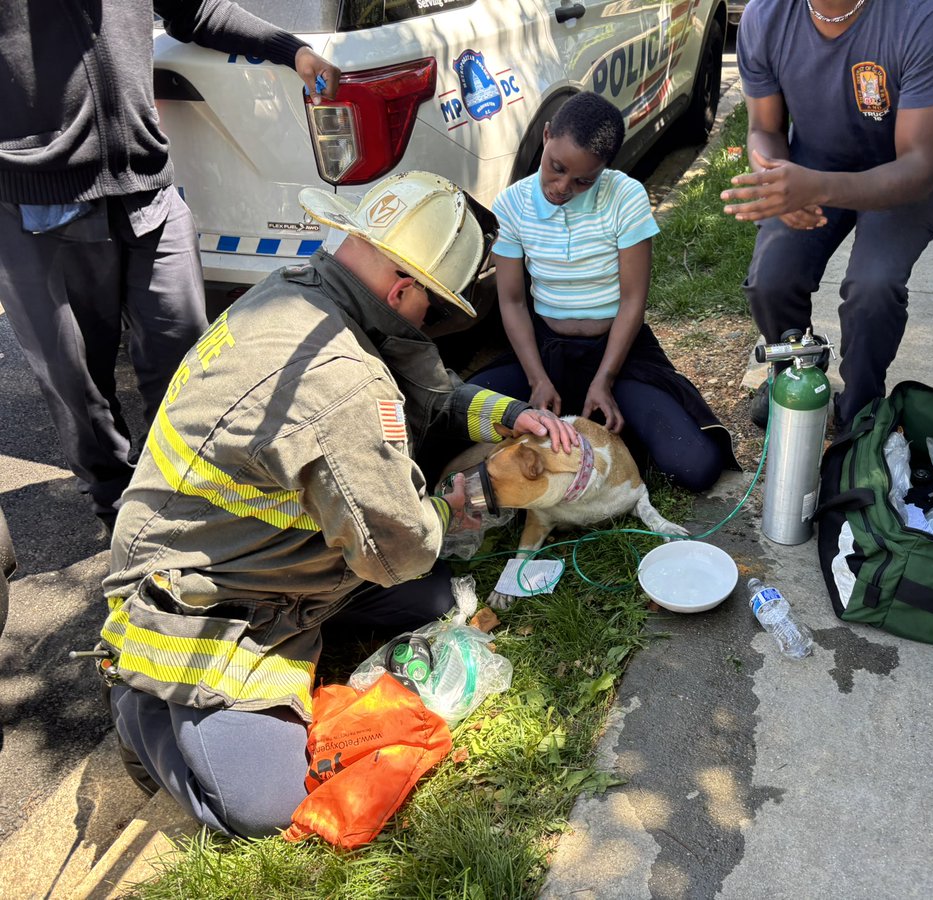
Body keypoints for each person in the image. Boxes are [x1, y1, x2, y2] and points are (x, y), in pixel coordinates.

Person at [97, 172, 578, 838]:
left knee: (432, 598)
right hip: (204, 600)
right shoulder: (340, 384)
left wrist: (512, 416)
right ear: (403, 288)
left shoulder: (309, 291)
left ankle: (295, 643)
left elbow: (432, 387)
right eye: (430, 306)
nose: (427, 320)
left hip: (271, 562)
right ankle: (142, 706)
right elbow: (399, 545)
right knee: (266, 804)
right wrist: (481, 495)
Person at [0, 1, 342, 534]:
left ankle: (196, 497)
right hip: (36, 204)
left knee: (189, 362)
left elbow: (197, 10)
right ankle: (123, 520)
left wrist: (292, 49)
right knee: (79, 387)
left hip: (147, 186)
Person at [720, 0, 933, 432]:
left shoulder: (931, 12)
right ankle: (796, 374)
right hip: (812, 163)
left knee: (872, 289)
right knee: (771, 281)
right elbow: (765, 127)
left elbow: (919, 166)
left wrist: (815, 186)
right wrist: (778, 179)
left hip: (904, 176)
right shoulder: (765, 16)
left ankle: (861, 408)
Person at [468, 92, 736, 493]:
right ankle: (579, 418)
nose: (562, 187)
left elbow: (632, 302)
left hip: (619, 352)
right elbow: (512, 301)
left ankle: (600, 423)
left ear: (603, 171)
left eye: (583, 181)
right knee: (461, 415)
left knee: (695, 465)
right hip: (545, 352)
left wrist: (605, 378)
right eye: (556, 168)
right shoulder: (512, 203)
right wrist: (536, 378)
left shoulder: (624, 197)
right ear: (545, 136)